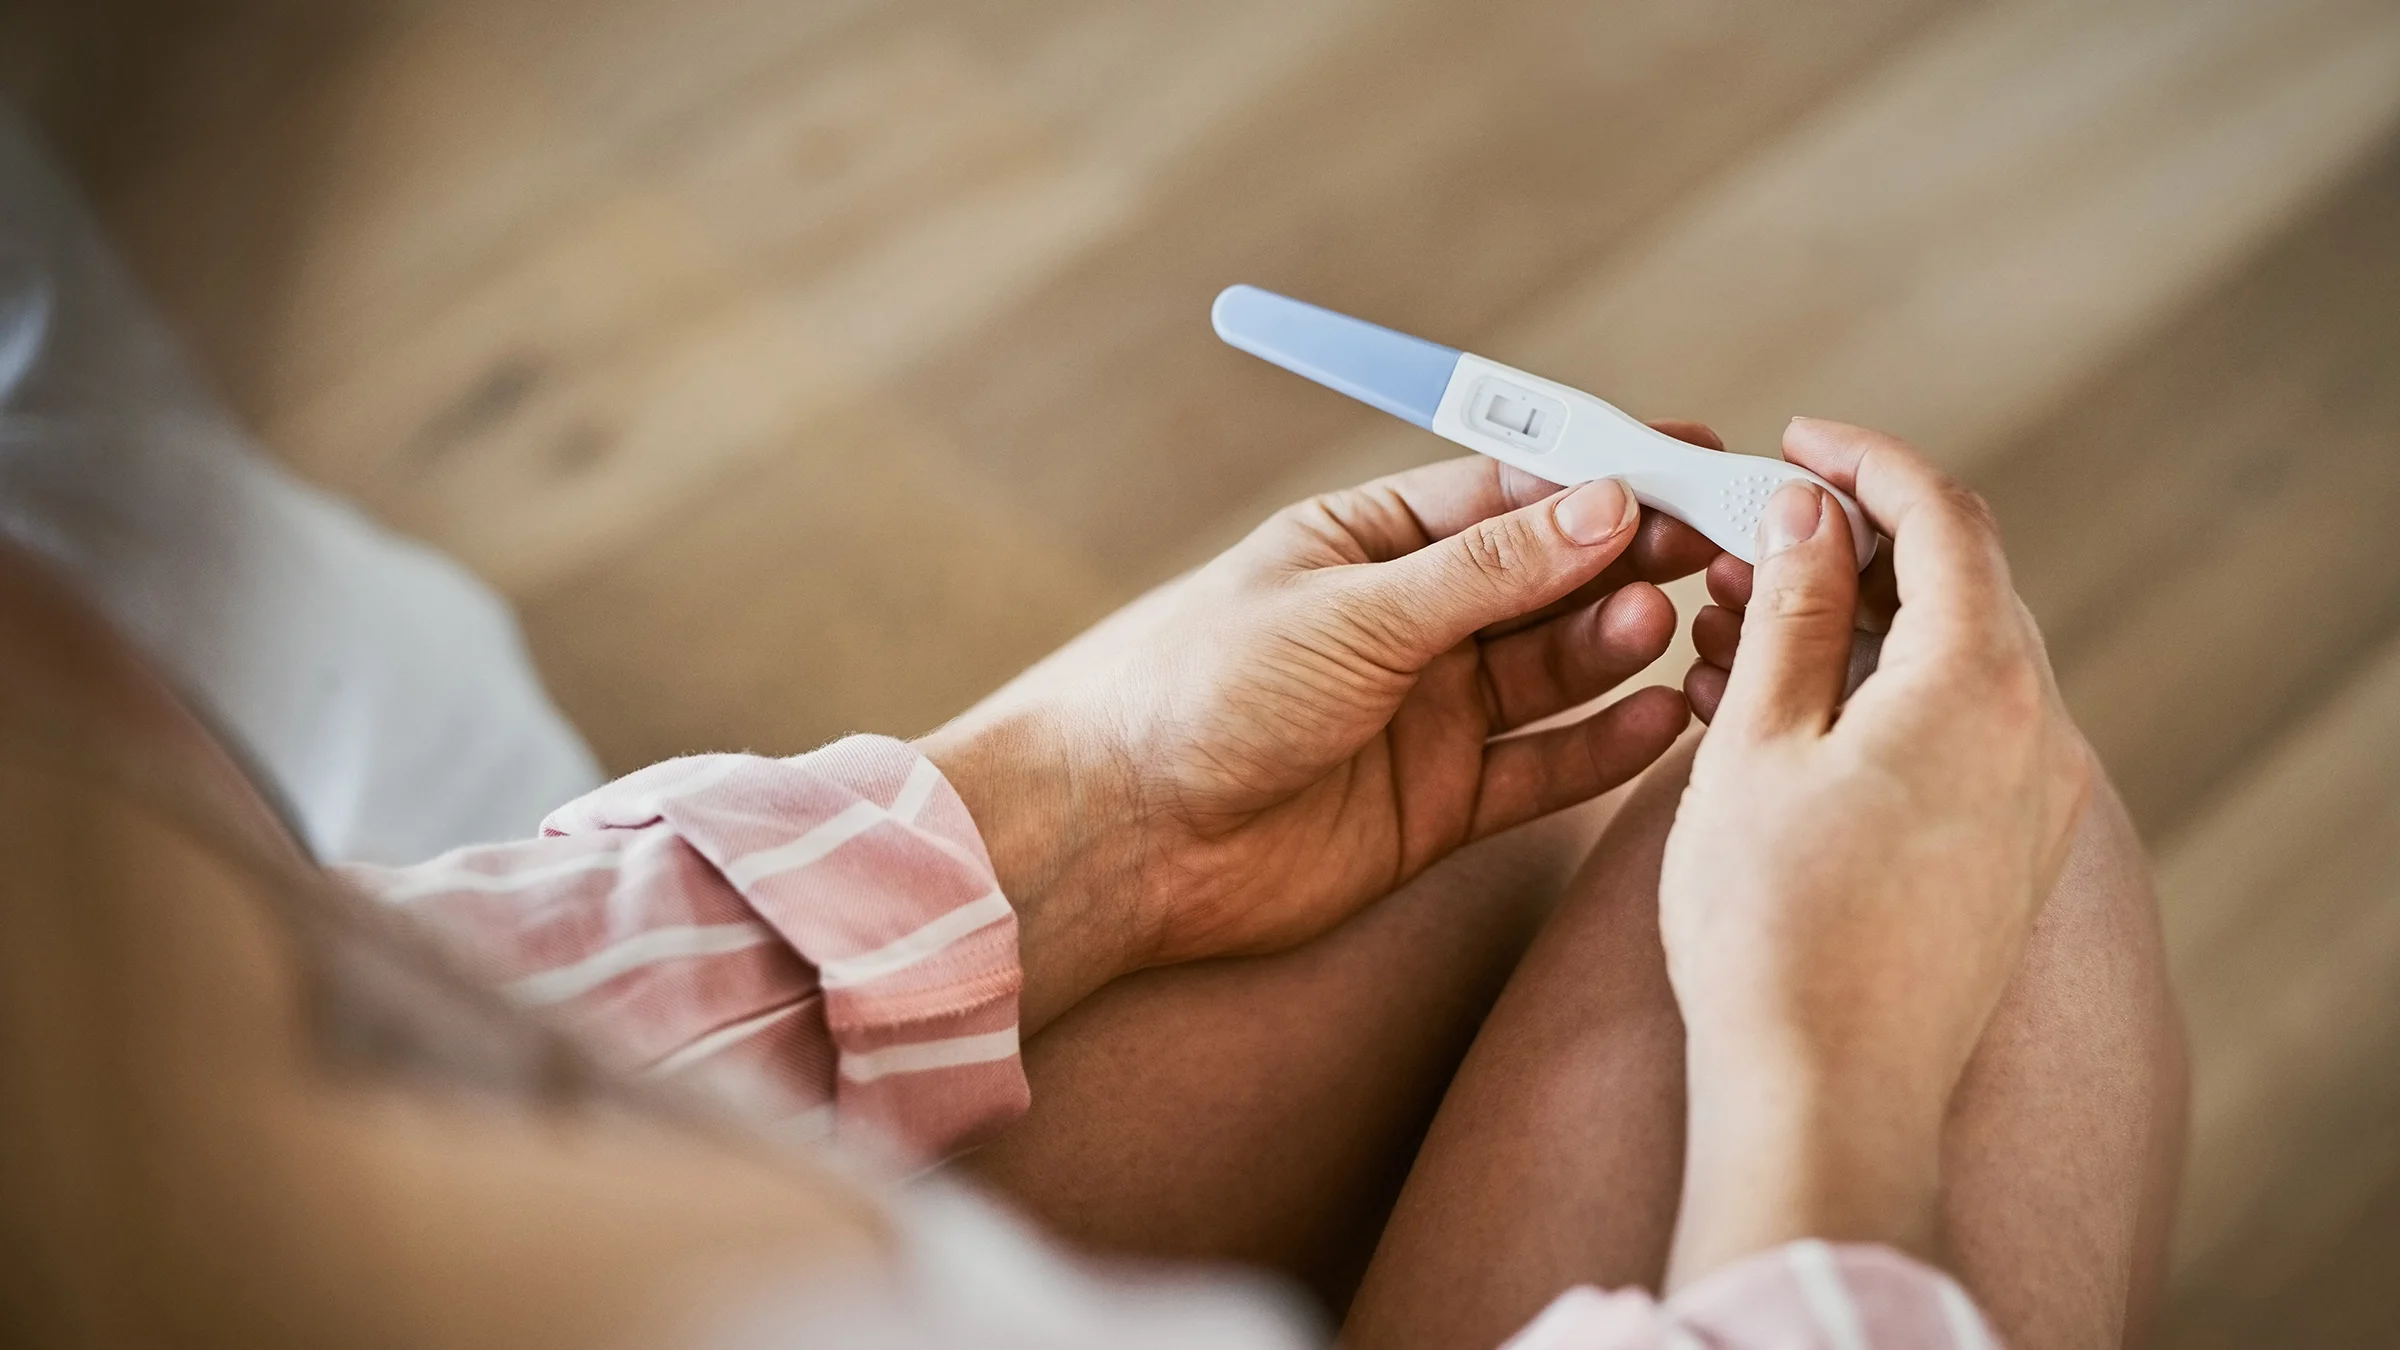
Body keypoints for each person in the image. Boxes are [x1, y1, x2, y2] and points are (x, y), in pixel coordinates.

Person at [0, 109, 2183, 1349]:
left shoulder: (140, 1092)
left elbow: (385, 1005)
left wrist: (1063, 822)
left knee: (1503, 871)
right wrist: (1836, 1085)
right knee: (2003, 898)